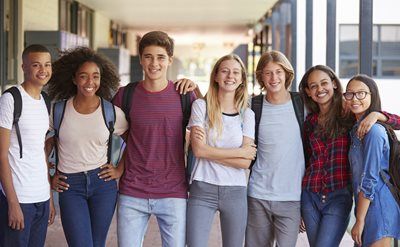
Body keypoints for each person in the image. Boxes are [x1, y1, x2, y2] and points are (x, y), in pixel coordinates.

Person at [112, 31, 198, 247]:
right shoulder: (125, 95)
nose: (154, 63)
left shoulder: (184, 95)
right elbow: (107, 127)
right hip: (132, 191)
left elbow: (210, 120)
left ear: (170, 60)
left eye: (160, 57)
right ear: (140, 59)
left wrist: (197, 87)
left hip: (173, 192)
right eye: (148, 56)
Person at [298, 65, 400, 246]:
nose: (320, 89)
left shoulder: (348, 116)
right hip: (310, 194)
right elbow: (305, 160)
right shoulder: (310, 121)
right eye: (313, 86)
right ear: (308, 91)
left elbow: (396, 122)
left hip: (340, 196)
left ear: (334, 84)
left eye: (324, 83)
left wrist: (377, 115)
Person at [45, 47, 128, 247]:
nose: (90, 82)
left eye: (95, 76)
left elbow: (131, 139)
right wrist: (49, 178)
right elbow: (43, 147)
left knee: (97, 244)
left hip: (103, 184)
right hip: (69, 185)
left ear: (102, 79)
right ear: (74, 79)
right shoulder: (58, 111)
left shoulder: (112, 113)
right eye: (83, 76)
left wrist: (120, 169)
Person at [186, 54, 256, 247]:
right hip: (202, 188)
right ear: (216, 76)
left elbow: (245, 162)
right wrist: (239, 152)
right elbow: (198, 151)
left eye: (235, 72)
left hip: (236, 191)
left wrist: (210, 150)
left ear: (241, 79)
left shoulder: (247, 115)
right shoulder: (201, 106)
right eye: (224, 71)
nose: (229, 76)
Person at [245, 50, 305, 247]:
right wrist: (193, 88)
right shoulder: (253, 105)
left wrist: (378, 116)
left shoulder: (302, 104)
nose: (274, 78)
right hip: (258, 195)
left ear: (287, 73)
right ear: (261, 76)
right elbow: (220, 104)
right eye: (268, 72)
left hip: (291, 197)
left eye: (278, 71)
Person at [0, 44, 55, 246]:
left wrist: (48, 196)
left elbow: (40, 151)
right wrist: (12, 203)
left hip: (40, 196)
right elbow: (1, 155)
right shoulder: (11, 99)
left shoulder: (45, 101)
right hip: (18, 197)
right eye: (36, 65)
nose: (43, 70)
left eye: (47, 65)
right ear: (23, 67)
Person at [345, 74, 400, 247]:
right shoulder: (355, 129)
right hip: (365, 206)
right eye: (350, 94)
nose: (355, 98)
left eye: (361, 93)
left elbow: (369, 177)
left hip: (379, 206)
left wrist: (359, 220)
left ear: (372, 95)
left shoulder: (375, 132)